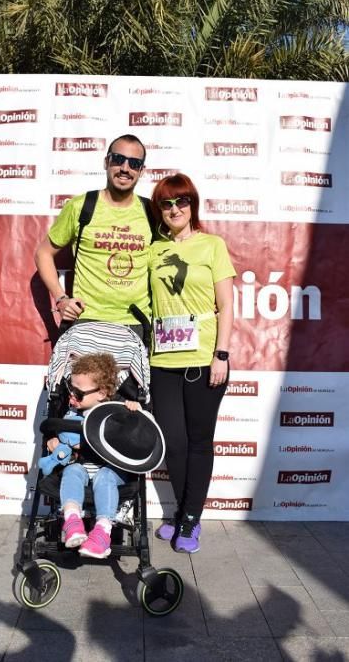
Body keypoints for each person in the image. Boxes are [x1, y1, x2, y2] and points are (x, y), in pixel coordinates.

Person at [148, 173, 236, 554]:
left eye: (181, 202)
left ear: (192, 205)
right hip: (162, 360)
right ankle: (184, 513)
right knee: (173, 443)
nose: (174, 209)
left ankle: (188, 520)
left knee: (200, 443)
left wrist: (222, 355)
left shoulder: (212, 246)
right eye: (166, 204)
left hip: (203, 359)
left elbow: (227, 305)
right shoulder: (151, 250)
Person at [34, 134, 152, 335]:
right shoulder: (81, 206)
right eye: (117, 159)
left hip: (136, 324)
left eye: (134, 163)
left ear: (141, 170)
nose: (125, 168)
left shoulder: (151, 211)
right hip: (87, 321)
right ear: (106, 162)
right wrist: (61, 299)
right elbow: (43, 254)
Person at [43, 352, 140, 559]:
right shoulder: (72, 415)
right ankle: (72, 521)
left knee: (104, 476)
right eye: (71, 390)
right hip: (83, 467)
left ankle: (103, 531)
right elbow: (64, 440)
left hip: (112, 472)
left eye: (78, 394)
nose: (71, 397)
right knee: (72, 471)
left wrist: (136, 410)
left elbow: (139, 435)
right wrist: (55, 441)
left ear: (102, 393)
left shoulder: (118, 412)